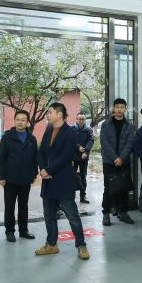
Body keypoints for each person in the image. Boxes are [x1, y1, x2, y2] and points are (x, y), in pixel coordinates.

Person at [35, 103, 90, 259]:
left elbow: (65, 156)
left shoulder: (70, 132)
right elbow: (41, 152)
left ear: (59, 114)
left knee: (72, 216)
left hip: (63, 180)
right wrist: (42, 169)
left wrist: (48, 170)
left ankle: (81, 245)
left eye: (50, 112)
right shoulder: (48, 130)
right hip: (48, 181)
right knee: (49, 215)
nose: (47, 115)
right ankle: (51, 244)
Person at [0, 110, 38, 242]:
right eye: (18, 119)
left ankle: (23, 230)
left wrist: (34, 174)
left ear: (27, 122)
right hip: (10, 178)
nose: (20, 122)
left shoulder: (32, 139)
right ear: (14, 121)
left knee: (23, 206)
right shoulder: (7, 137)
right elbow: (1, 158)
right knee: (9, 206)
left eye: (23, 120)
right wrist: (1, 176)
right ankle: (9, 231)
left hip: (26, 178)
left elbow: (35, 158)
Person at [100, 98, 136, 225]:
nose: (119, 109)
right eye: (117, 107)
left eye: (122, 107)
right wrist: (115, 158)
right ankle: (106, 213)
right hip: (109, 162)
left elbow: (130, 144)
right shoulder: (105, 125)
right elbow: (104, 143)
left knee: (124, 188)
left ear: (125, 109)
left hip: (124, 161)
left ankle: (124, 213)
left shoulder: (130, 126)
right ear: (113, 109)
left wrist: (121, 158)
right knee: (108, 187)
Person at [73, 113, 95, 203]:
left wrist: (86, 151)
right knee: (72, 177)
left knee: (83, 177)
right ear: (76, 119)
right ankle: (71, 196)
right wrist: (78, 146)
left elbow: (91, 140)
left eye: (83, 119)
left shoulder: (88, 129)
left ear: (85, 120)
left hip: (84, 157)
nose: (81, 121)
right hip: (73, 157)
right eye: (79, 119)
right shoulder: (72, 129)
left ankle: (83, 196)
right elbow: (70, 140)